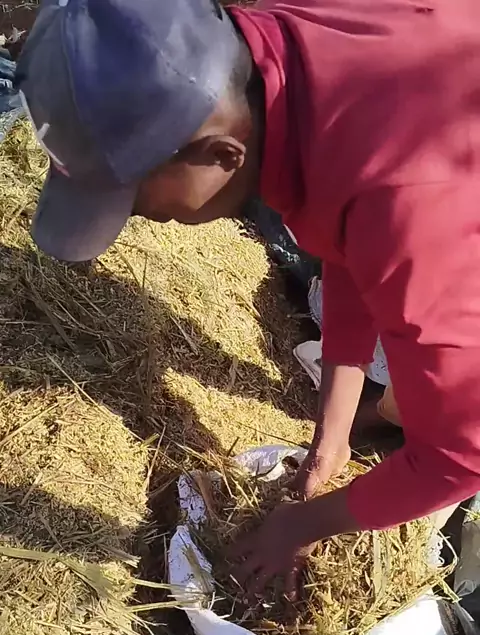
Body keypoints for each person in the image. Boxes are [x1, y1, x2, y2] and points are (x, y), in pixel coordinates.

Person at [17, 0, 480, 598]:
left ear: (222, 156)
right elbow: (348, 241)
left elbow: (462, 453)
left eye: (135, 202)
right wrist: (332, 434)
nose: (141, 219)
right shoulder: (280, 57)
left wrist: (303, 525)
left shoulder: (406, 208)